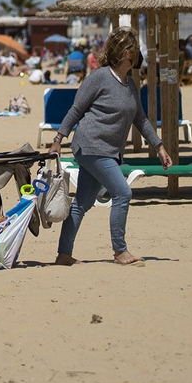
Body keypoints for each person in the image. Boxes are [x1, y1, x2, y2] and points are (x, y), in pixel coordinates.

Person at [47, 28, 171, 266]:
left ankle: (63, 255)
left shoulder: (130, 84)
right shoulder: (99, 77)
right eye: (135, 49)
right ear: (127, 53)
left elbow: (141, 119)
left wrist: (160, 147)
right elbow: (76, 109)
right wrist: (58, 139)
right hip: (91, 146)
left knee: (82, 203)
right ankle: (120, 251)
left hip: (108, 151)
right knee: (123, 193)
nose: (138, 54)